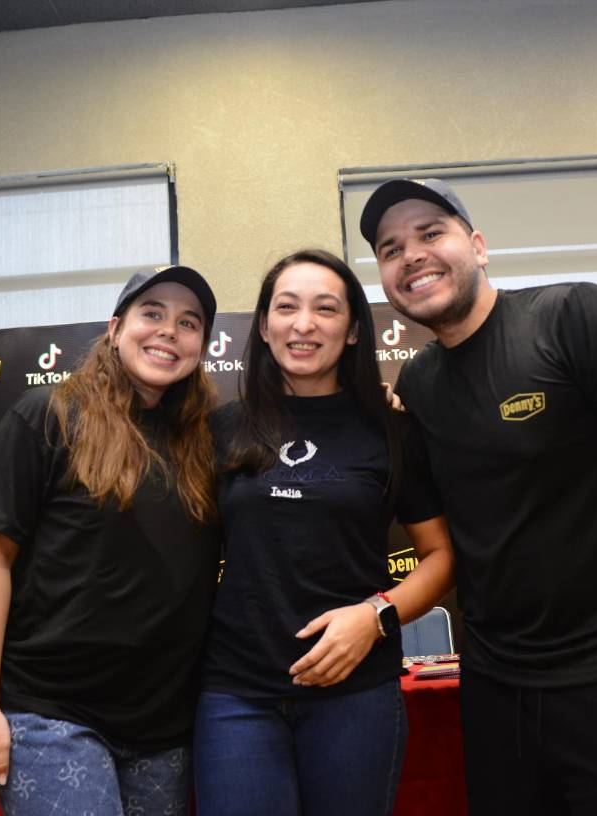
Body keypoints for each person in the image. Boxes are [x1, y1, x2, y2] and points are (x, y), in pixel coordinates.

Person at [359, 179, 597, 815]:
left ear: (478, 246)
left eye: (430, 233)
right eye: (390, 249)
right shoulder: (418, 383)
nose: (411, 255)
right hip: (496, 687)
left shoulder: (575, 317)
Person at [193, 248, 456, 816]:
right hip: (237, 693)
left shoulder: (393, 430)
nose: (304, 324)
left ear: (354, 330)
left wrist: (376, 616)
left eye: (326, 308)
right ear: (265, 327)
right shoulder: (221, 430)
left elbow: (440, 556)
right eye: (287, 307)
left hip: (355, 693)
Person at [0, 265, 222, 815]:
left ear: (201, 347)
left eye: (188, 322)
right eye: (152, 313)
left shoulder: (210, 442)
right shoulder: (47, 416)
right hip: (51, 715)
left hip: (165, 727)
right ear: (114, 328)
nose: (169, 330)